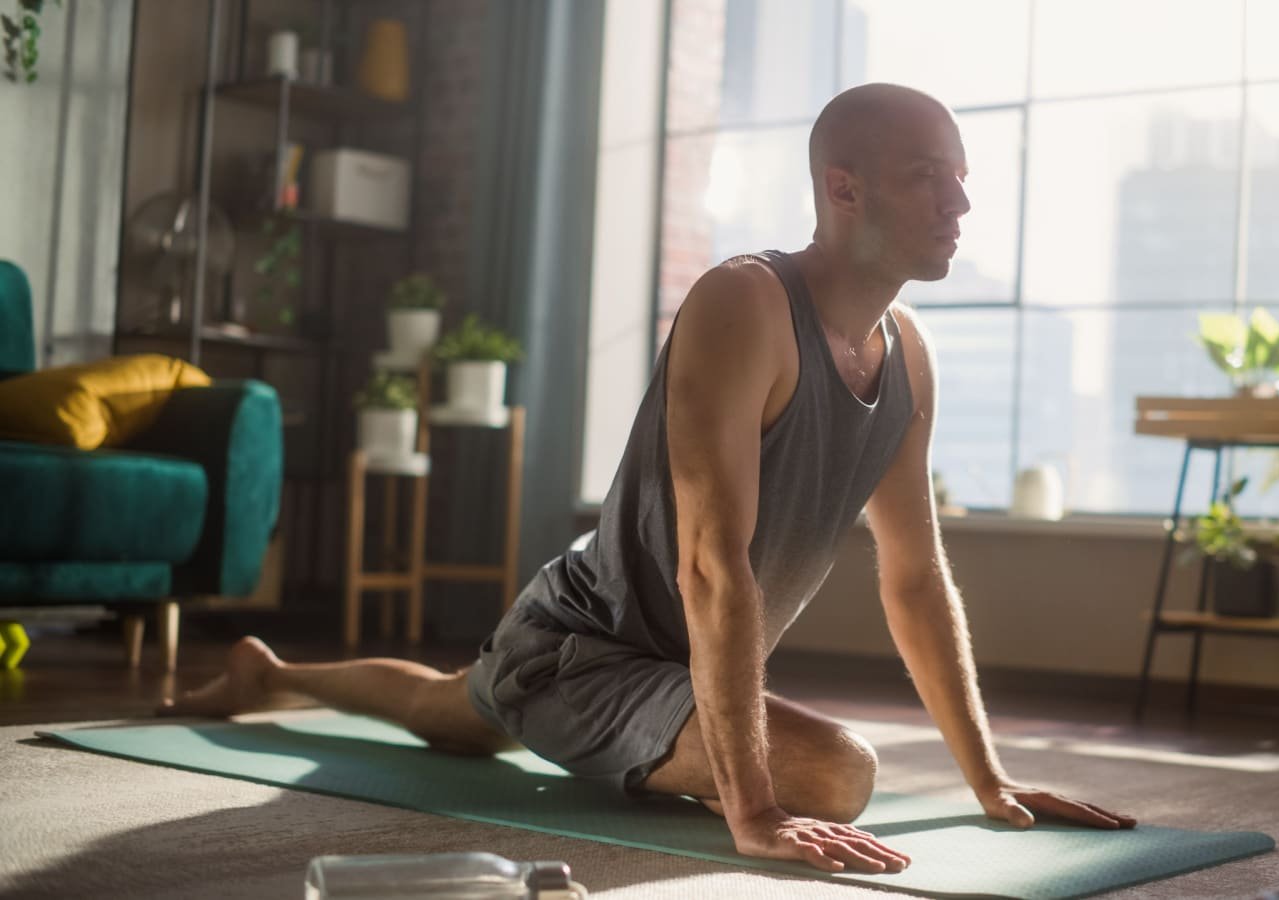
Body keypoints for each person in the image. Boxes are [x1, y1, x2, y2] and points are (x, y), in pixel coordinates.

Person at [162, 83, 1137, 875]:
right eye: (928, 178)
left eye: (961, 178)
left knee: (453, 713)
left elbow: (915, 578)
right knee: (835, 772)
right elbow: (713, 567)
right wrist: (752, 810)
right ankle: (286, 675)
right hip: (579, 647)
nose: (959, 204)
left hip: (655, 665)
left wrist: (989, 783)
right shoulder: (744, 303)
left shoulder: (906, 355)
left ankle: (271, 671)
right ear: (844, 190)